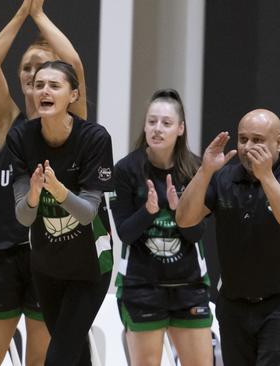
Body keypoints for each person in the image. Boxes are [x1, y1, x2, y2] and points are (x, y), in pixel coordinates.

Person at [0, 0, 87, 364]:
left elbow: (77, 66)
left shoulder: (73, 122)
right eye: (26, 68)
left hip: (51, 254)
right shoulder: (9, 121)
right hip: (4, 252)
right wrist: (23, 13)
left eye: (41, 67)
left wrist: (40, 16)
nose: (32, 75)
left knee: (38, 360)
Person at [176, 109, 280, 366]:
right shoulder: (224, 178)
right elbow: (185, 219)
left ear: (279, 142)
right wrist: (205, 171)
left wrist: (266, 176)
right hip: (233, 305)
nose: (248, 147)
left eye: (258, 140)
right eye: (243, 139)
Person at [8, 60, 114, 365]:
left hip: (91, 266)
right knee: (74, 354)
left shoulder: (94, 138)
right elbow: (24, 217)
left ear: (74, 95)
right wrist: (33, 194)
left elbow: (87, 213)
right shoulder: (21, 139)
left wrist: (58, 191)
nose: (44, 91)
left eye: (55, 85)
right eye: (39, 85)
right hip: (47, 267)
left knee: (58, 358)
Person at [111, 89, 213, 366]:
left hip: (189, 286)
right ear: (144, 125)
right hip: (141, 286)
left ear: (180, 129)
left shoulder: (195, 169)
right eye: (152, 121)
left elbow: (196, 234)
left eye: (166, 123)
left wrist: (181, 212)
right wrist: (148, 212)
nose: (157, 129)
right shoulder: (125, 170)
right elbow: (125, 233)